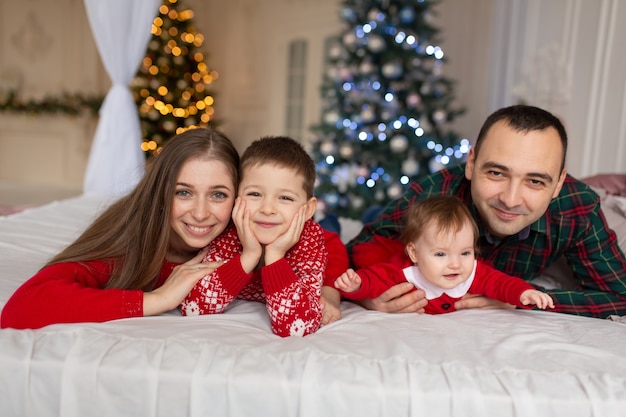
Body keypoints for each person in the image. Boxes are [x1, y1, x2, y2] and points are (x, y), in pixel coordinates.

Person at [347, 104, 626, 318]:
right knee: (370, 223)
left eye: (535, 181)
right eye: (496, 172)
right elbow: (349, 256)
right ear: (471, 163)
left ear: (559, 184)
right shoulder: (434, 194)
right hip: (398, 238)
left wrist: (522, 298)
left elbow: (620, 296)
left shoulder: (577, 207)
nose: (511, 199)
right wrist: (364, 297)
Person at [1, 128, 240, 329]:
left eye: (218, 195)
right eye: (183, 192)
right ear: (161, 194)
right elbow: (23, 305)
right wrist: (159, 299)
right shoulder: (128, 246)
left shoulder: (242, 238)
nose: (200, 213)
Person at [180, 136, 339, 337]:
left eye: (285, 198)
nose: (267, 209)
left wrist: (275, 256)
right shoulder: (229, 231)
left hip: (322, 237)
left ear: (307, 210)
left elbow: (296, 326)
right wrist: (249, 255)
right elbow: (194, 306)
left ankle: (332, 221)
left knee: (332, 233)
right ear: (236, 197)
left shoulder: (309, 240)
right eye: (255, 194)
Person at [335, 196, 554, 313]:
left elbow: (502, 284)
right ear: (414, 253)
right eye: (441, 254)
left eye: (465, 252)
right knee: (372, 252)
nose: (455, 264)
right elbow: (374, 279)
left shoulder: (472, 272)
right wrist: (356, 285)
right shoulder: (404, 272)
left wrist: (524, 293)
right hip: (389, 251)